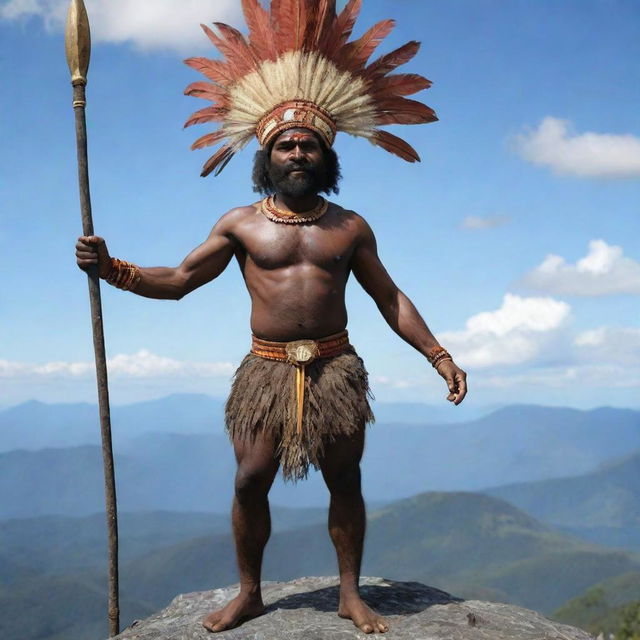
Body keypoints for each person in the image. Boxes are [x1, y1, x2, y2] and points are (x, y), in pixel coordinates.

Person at [76, 1, 468, 634]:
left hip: (337, 368)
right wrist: (113, 268)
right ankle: (251, 593)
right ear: (267, 155)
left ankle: (349, 592)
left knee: (345, 476)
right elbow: (178, 281)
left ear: (325, 155)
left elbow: (390, 298)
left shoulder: (350, 228)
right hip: (264, 370)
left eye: (307, 144)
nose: (296, 152)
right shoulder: (240, 224)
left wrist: (439, 356)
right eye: (285, 144)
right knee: (250, 478)